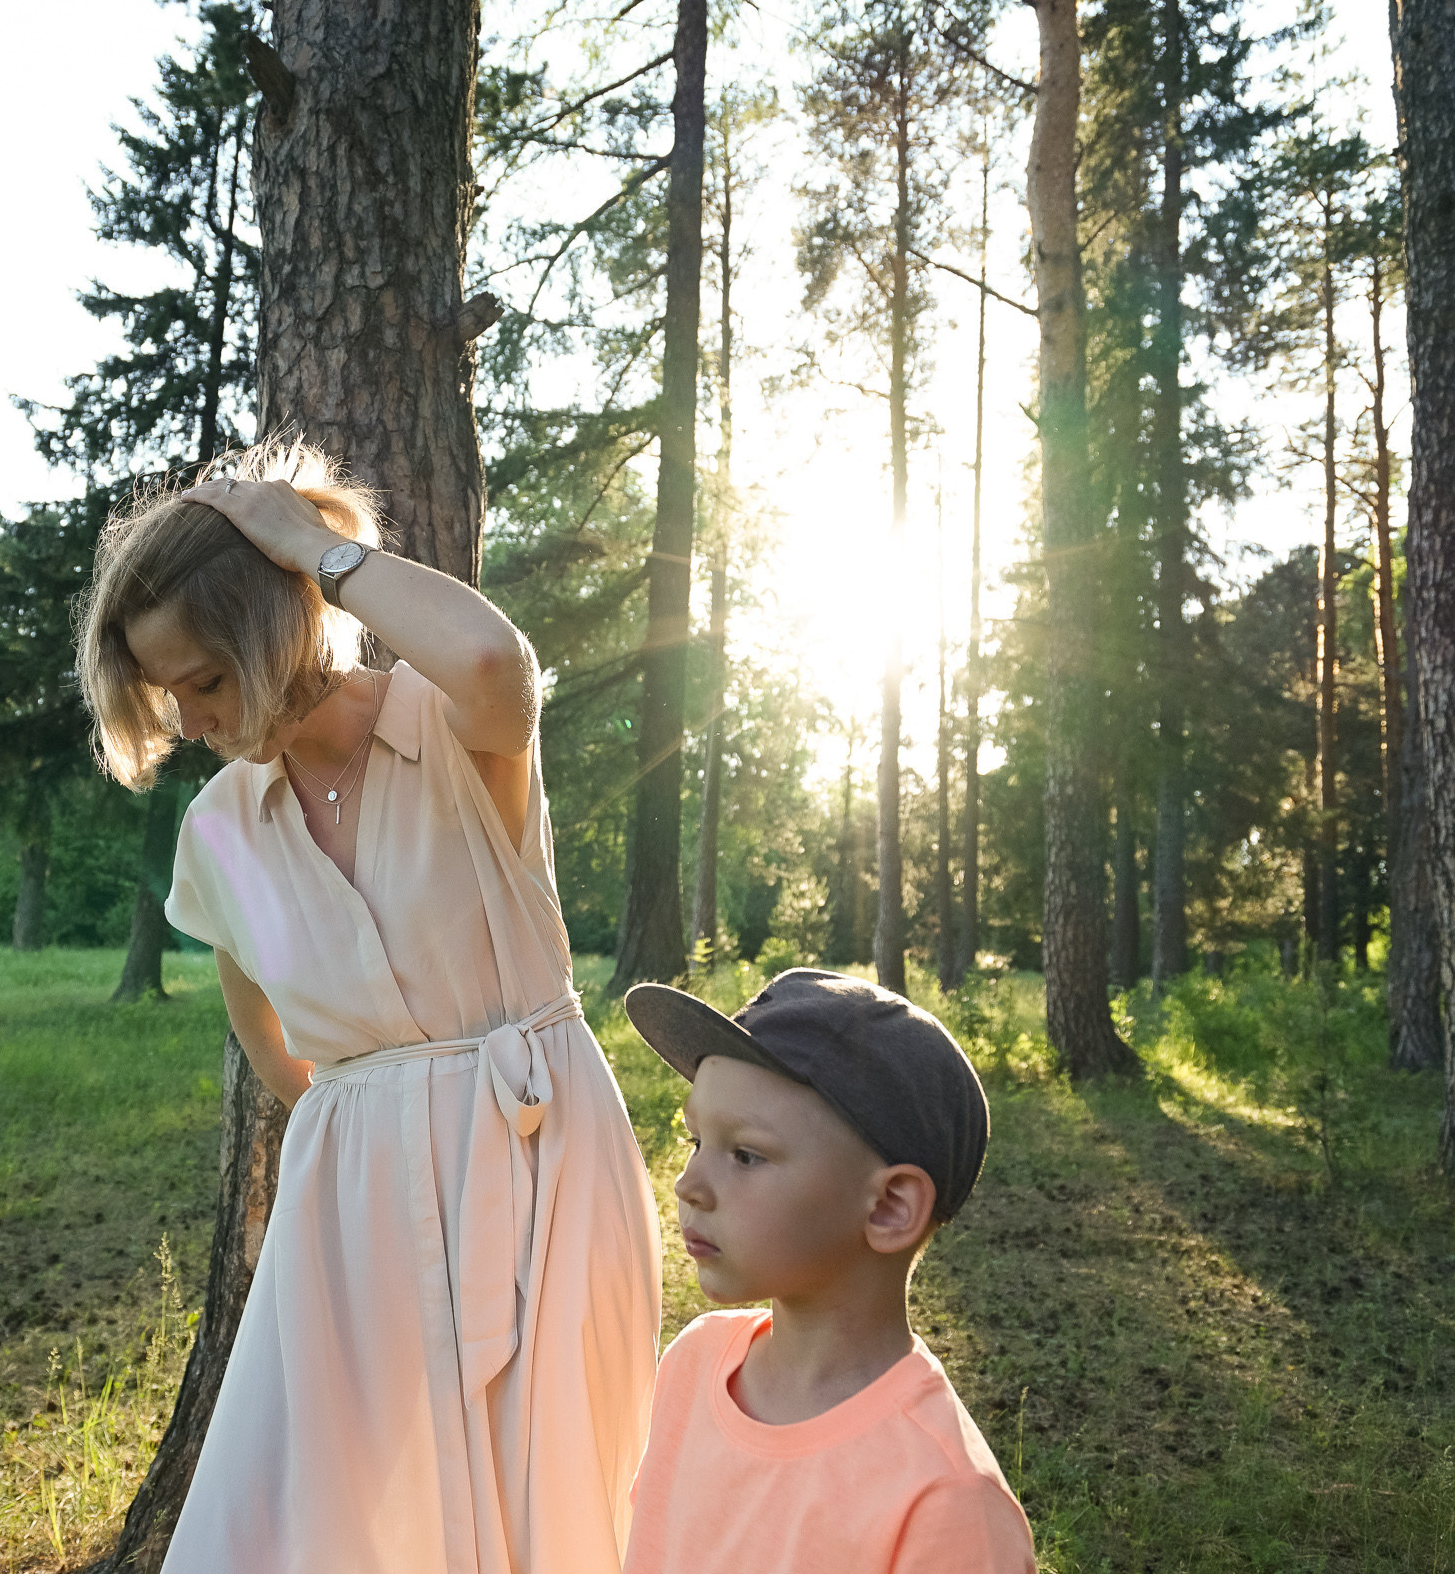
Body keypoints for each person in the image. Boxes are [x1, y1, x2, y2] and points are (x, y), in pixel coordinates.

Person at [76, 441, 662, 1574]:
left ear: (269, 628)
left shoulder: (449, 726)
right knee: (336, 1510)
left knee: (557, 1492)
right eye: (167, 693)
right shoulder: (221, 832)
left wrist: (310, 547)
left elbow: (497, 656)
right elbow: (260, 1019)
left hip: (538, 1149)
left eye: (205, 678)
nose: (190, 719)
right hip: (354, 1206)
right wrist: (362, 1123)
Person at [617, 968, 1035, 1574]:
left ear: (890, 1207)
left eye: (745, 1154)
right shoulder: (696, 1364)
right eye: (693, 1141)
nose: (688, 1185)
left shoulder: (945, 1502)